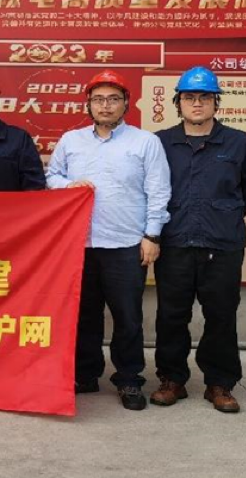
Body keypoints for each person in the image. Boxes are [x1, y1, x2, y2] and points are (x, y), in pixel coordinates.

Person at [46, 70, 171, 411]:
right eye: (98, 99)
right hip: (79, 244)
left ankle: (129, 378)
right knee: (84, 314)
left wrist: (152, 235)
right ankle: (85, 374)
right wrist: (67, 186)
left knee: (127, 316)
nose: (105, 106)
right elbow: (51, 176)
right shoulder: (71, 141)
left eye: (113, 99)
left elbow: (159, 191)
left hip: (126, 243)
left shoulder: (145, 142)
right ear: (88, 104)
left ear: (126, 104)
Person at [150, 66, 246, 413]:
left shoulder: (238, 142)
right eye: (189, 97)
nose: (197, 103)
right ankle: (172, 379)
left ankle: (220, 382)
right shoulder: (160, 143)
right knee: (171, 315)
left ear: (216, 103)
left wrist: (222, 215)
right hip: (175, 242)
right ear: (178, 103)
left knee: (221, 316)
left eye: (204, 97)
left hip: (222, 244)